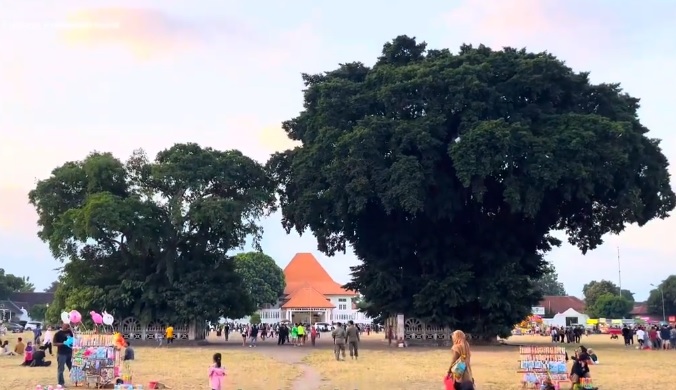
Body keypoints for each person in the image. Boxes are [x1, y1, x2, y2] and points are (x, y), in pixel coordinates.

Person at [53, 323, 74, 387]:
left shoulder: (70, 332)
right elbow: (54, 343)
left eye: (68, 324)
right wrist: (63, 343)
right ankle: (61, 383)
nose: (67, 325)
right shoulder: (58, 334)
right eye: (65, 324)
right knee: (61, 369)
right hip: (61, 353)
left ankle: (76, 381)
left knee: (72, 368)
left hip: (70, 353)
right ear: (62, 324)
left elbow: (75, 338)